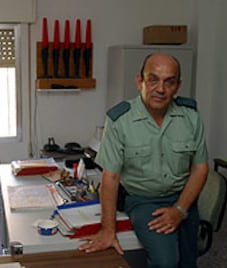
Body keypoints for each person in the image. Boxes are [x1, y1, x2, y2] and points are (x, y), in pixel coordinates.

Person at [78, 53, 209, 268]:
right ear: (140, 81)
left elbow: (200, 169)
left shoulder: (191, 117)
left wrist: (179, 210)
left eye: (169, 82)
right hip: (143, 200)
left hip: (183, 198)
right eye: (153, 79)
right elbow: (110, 177)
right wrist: (108, 229)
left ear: (178, 86)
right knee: (166, 261)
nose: (160, 88)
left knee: (188, 263)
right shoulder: (120, 120)